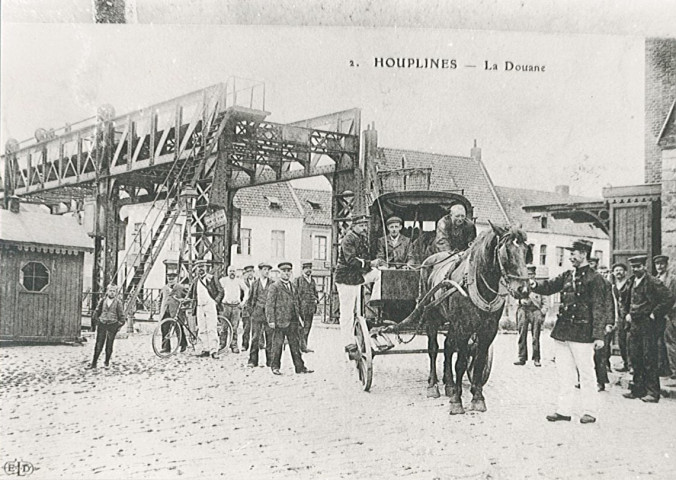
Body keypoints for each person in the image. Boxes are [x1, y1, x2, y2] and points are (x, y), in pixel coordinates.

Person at [530, 239, 613, 424]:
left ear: (584, 253)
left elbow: (599, 307)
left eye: (574, 253)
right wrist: (533, 285)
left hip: (583, 333)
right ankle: (563, 410)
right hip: (563, 332)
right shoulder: (567, 275)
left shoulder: (596, 279)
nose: (571, 256)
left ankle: (590, 411)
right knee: (565, 373)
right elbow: (549, 286)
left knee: (586, 372)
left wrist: (598, 335)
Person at [622, 255, 674, 403]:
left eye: (638, 267)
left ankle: (653, 392)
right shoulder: (631, 281)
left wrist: (654, 313)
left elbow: (669, 298)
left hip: (648, 325)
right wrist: (626, 314)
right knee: (635, 356)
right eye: (633, 267)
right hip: (634, 324)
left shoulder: (653, 282)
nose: (635, 269)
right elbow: (624, 299)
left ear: (644, 267)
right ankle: (638, 389)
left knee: (649, 357)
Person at [334, 214, 381, 360]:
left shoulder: (360, 238)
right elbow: (351, 261)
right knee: (347, 312)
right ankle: (348, 343)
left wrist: (372, 264)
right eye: (361, 225)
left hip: (356, 277)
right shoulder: (348, 238)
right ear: (353, 226)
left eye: (365, 225)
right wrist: (370, 264)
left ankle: (375, 300)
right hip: (346, 278)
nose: (364, 228)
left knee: (379, 274)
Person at [265, 261, 313, 375]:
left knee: (295, 345)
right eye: (284, 271)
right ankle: (275, 367)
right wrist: (271, 320)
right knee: (277, 345)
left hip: (293, 321)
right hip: (280, 321)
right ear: (280, 273)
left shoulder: (293, 286)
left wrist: (299, 317)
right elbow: (269, 304)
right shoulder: (275, 286)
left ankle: (300, 367)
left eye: (288, 271)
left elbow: (297, 302)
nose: (286, 273)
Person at [514, 265, 546, 367]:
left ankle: (536, 358)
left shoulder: (538, 285)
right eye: (528, 274)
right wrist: (520, 300)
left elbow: (545, 300)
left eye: (531, 274)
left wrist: (543, 311)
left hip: (535, 311)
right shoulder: (520, 285)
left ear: (534, 275)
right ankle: (521, 357)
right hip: (523, 310)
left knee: (535, 336)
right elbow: (514, 297)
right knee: (522, 334)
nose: (529, 276)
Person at [589, 257, 613, 391]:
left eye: (592, 264)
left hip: (600, 323)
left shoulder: (604, 283)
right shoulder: (584, 281)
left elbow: (609, 304)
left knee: (600, 354)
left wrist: (609, 323)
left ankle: (601, 381)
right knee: (585, 354)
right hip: (587, 323)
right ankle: (586, 379)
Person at [89, 284, 126, 369]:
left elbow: (122, 316)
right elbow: (97, 311)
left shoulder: (118, 302)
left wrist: (118, 325)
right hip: (102, 324)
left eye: (114, 291)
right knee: (98, 344)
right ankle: (94, 363)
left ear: (116, 293)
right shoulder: (102, 301)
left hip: (112, 325)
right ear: (107, 291)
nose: (112, 293)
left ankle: (106, 362)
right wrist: (97, 321)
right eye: (110, 291)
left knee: (109, 345)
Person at [194, 260, 224, 359]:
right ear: (196, 269)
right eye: (199, 267)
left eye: (202, 266)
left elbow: (221, 291)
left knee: (212, 328)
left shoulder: (211, 278)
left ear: (206, 267)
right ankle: (205, 349)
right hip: (200, 306)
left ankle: (214, 350)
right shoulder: (196, 280)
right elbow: (192, 293)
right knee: (202, 329)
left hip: (210, 305)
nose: (201, 269)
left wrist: (215, 302)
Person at [247, 262, 274, 368]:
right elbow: (250, 300)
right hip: (257, 314)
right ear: (260, 271)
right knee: (255, 338)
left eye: (268, 270)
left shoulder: (272, 284)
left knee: (270, 338)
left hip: (269, 315)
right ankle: (253, 361)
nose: (266, 271)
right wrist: (251, 312)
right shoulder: (255, 284)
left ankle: (270, 361)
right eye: (264, 269)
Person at [654, 255, 676, 379]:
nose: (659, 266)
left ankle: (674, 370)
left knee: (671, 342)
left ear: (666, 265)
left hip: (670, 316)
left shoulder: (673, 279)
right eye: (657, 264)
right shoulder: (655, 279)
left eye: (662, 264)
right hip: (658, 316)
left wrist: (669, 310)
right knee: (659, 343)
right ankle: (662, 368)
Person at [219, 265, 249, 353]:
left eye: (233, 271)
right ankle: (222, 344)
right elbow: (217, 289)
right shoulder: (223, 281)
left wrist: (243, 302)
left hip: (236, 306)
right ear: (227, 272)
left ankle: (234, 345)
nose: (232, 273)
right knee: (224, 327)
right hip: (225, 306)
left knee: (234, 327)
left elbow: (246, 290)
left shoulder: (239, 281)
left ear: (236, 272)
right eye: (230, 271)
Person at [158, 272, 188, 353]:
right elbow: (160, 300)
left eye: (172, 278)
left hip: (176, 312)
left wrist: (183, 305)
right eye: (169, 278)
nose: (170, 280)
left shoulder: (180, 287)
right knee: (164, 329)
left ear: (176, 279)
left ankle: (183, 345)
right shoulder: (164, 288)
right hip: (165, 311)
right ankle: (166, 347)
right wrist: (160, 311)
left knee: (178, 329)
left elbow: (187, 297)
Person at [611, 263, 632, 372]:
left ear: (625, 272)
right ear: (613, 273)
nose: (618, 272)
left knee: (630, 341)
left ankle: (631, 365)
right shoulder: (613, 286)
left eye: (621, 270)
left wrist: (630, 313)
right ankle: (625, 363)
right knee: (621, 340)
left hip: (629, 316)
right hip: (619, 317)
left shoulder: (630, 284)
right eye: (616, 270)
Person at [294, 262, 319, 353]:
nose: (309, 270)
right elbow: (294, 295)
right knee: (300, 328)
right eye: (307, 268)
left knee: (308, 328)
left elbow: (315, 292)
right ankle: (300, 347)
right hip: (301, 309)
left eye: (310, 268)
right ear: (303, 270)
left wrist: (316, 299)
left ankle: (304, 347)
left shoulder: (312, 281)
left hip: (311, 308)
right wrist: (296, 308)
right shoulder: (297, 280)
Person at [240, 265, 255, 352]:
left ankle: (259, 344)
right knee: (246, 328)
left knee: (257, 328)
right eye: (248, 272)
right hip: (246, 308)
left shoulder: (257, 282)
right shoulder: (243, 283)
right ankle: (244, 345)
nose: (250, 274)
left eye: (251, 272)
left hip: (255, 308)